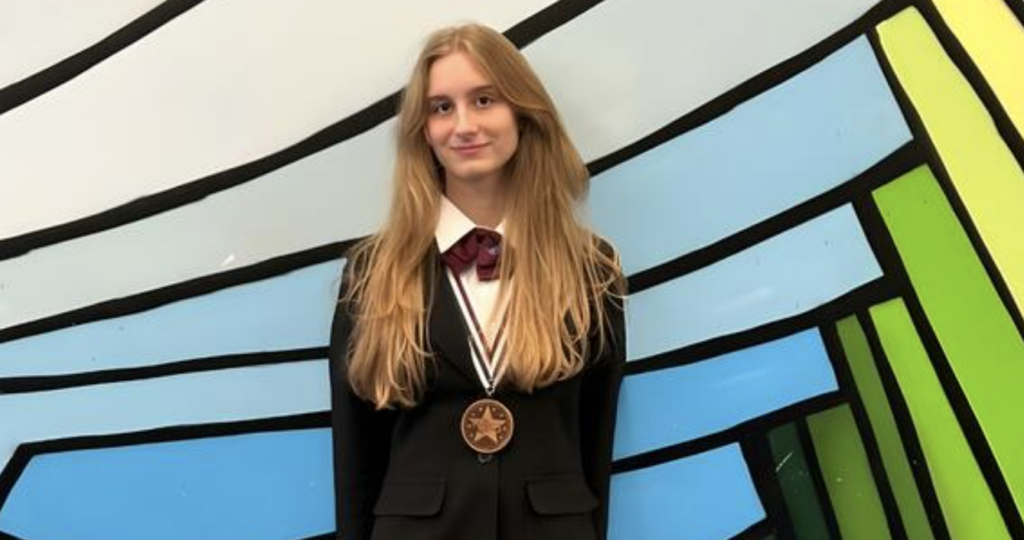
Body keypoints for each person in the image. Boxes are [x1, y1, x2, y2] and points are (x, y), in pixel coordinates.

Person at [329, 22, 626, 540]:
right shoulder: (373, 271)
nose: (463, 125)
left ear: (522, 112)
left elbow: (594, 433)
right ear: (422, 128)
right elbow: (356, 449)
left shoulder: (590, 268)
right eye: (441, 107)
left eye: (484, 99)